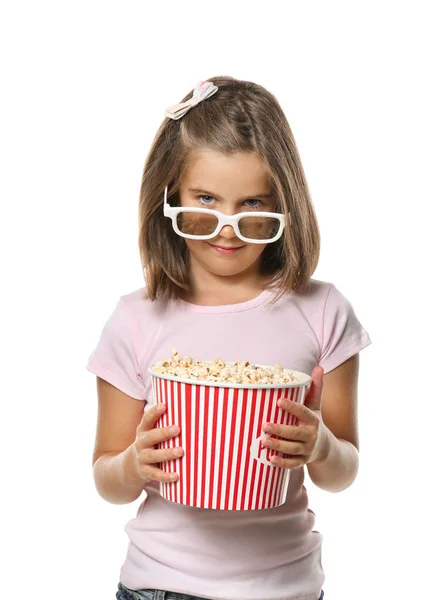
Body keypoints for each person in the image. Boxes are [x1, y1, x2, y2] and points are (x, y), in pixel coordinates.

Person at [87, 76, 372, 600]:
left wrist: (321, 445)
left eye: (252, 205)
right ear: (170, 197)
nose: (227, 228)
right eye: (206, 199)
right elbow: (107, 476)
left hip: (285, 587)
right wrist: (134, 463)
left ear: (285, 204)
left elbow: (343, 470)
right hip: (158, 586)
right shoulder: (135, 319)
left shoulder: (323, 311)